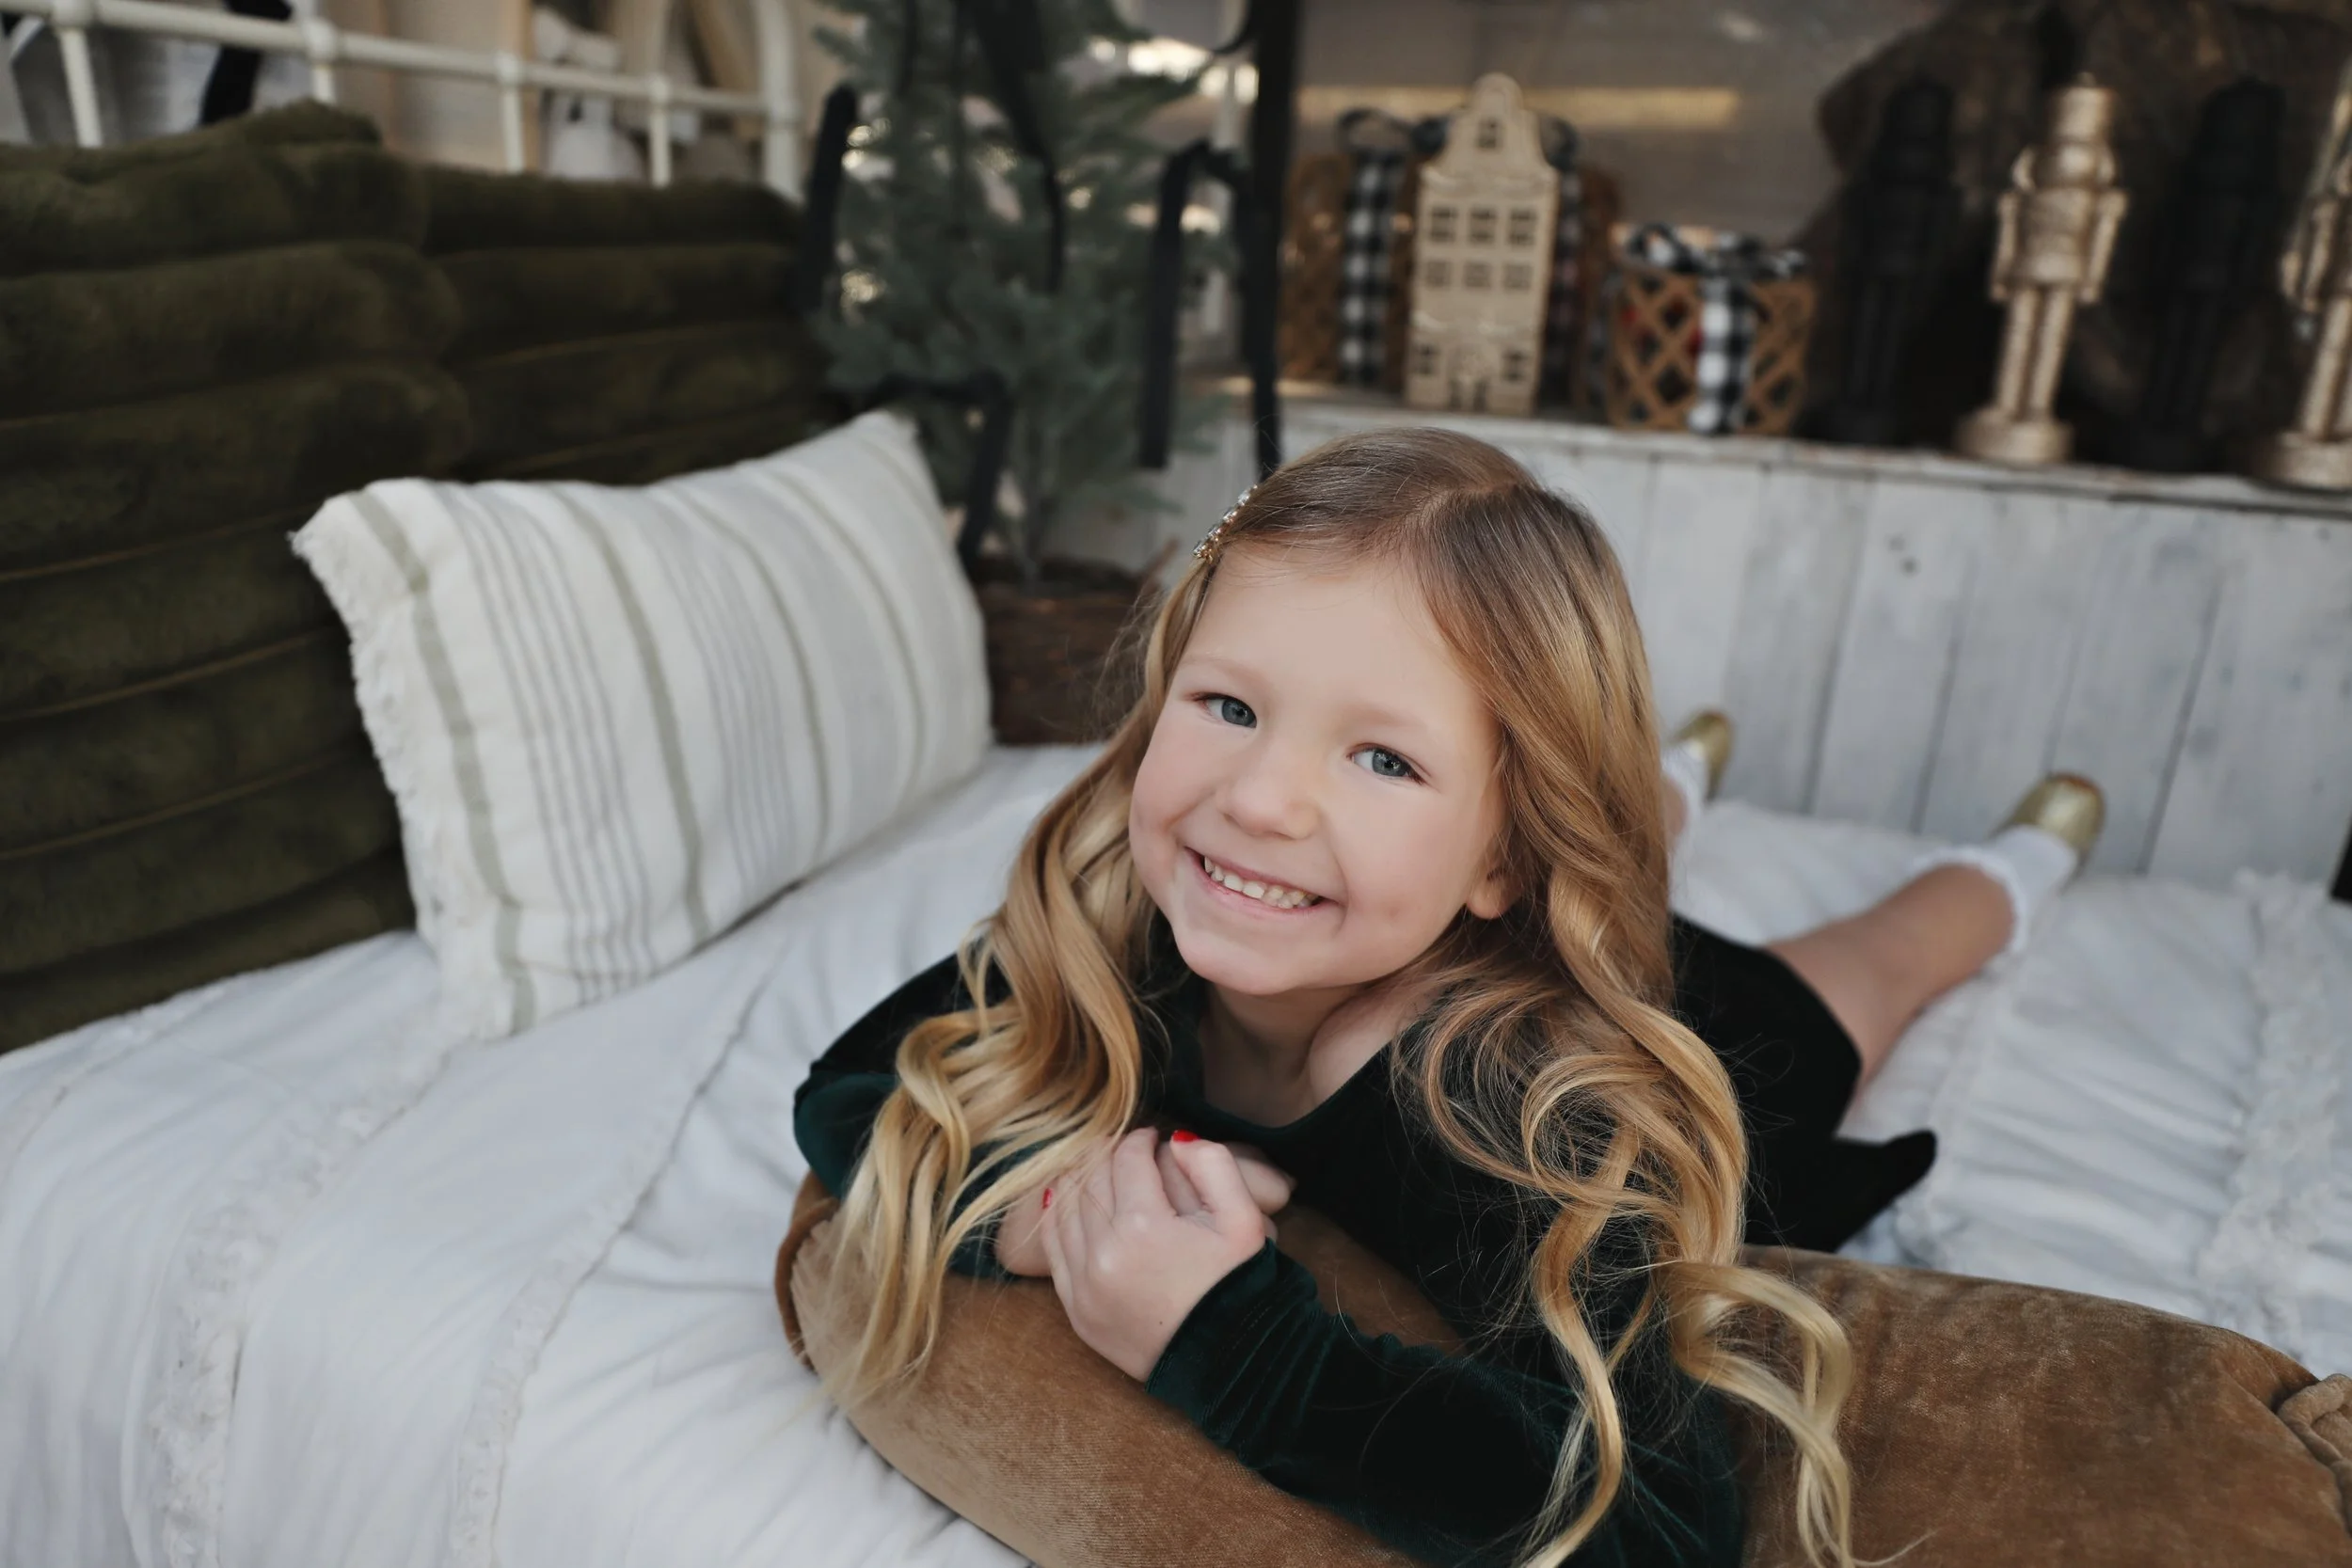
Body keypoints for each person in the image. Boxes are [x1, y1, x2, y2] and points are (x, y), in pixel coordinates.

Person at [792, 429, 2103, 1568]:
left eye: (1381, 756)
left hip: (1709, 1019)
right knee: (1627, 825)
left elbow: (1657, 1520)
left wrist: (1228, 1343)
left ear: (1501, 858)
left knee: (1882, 961)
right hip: (1482, 893)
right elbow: (848, 1090)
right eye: (1230, 703)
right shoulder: (1125, 908)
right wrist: (1045, 1211)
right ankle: (1673, 779)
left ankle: (2023, 856)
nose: (1258, 798)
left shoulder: (1512, 1111)